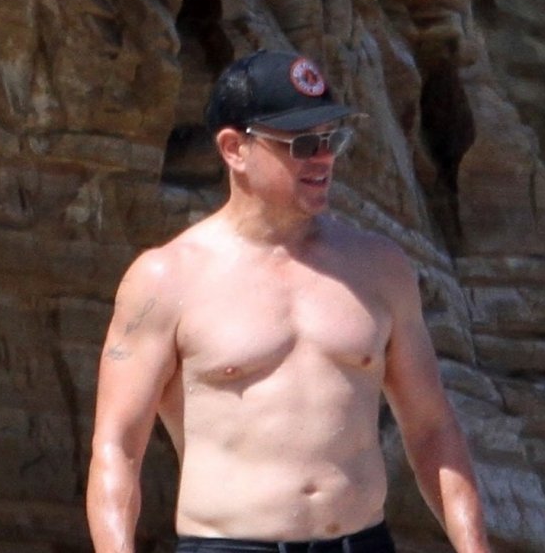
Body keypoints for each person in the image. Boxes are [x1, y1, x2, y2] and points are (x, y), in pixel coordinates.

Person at [86, 49, 491, 553]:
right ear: (234, 148)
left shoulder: (379, 268)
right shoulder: (166, 279)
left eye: (331, 139)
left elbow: (432, 428)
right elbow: (118, 447)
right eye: (301, 143)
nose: (323, 157)